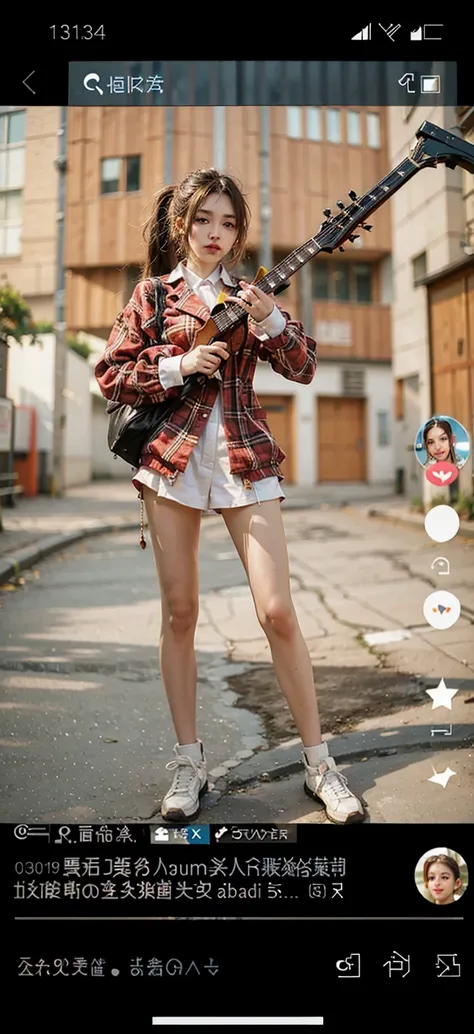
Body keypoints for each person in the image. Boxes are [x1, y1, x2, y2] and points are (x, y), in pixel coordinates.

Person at [95, 167, 365, 826]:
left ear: (240, 231)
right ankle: (189, 762)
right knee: (181, 613)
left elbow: (303, 367)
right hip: (172, 462)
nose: (215, 233)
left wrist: (271, 321)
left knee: (278, 612)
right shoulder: (153, 294)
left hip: (245, 458)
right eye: (203, 220)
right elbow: (111, 375)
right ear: (181, 225)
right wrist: (179, 365)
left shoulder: (251, 293)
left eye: (228, 222)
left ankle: (319, 763)